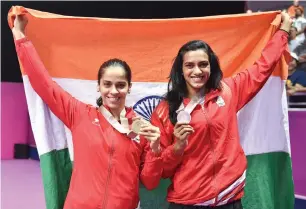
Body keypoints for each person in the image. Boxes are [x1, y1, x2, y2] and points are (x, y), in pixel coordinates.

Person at [11, 14, 163, 209]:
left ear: (129, 87)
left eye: (120, 85)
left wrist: (156, 149)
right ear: (98, 87)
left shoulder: (143, 128)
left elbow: (150, 182)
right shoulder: (80, 114)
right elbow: (43, 84)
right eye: (107, 84)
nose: (114, 91)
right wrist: (20, 36)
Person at [150, 12, 292, 209]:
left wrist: (283, 31)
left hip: (229, 199)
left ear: (212, 66)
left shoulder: (228, 91)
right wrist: (177, 148)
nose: (197, 71)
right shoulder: (165, 110)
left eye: (203, 64)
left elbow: (263, 67)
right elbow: (161, 170)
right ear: (180, 70)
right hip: (188, 202)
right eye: (189, 65)